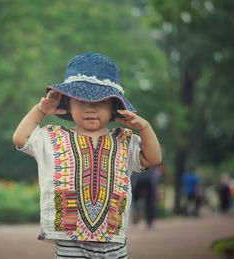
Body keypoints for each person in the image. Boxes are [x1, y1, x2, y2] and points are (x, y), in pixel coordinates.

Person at [13, 53, 162, 258]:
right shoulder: (53, 137)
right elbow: (21, 138)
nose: (90, 109)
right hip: (69, 240)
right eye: (81, 102)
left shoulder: (124, 140)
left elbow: (153, 158)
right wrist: (41, 109)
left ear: (113, 107)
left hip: (113, 241)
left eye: (100, 103)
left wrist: (145, 127)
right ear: (69, 104)